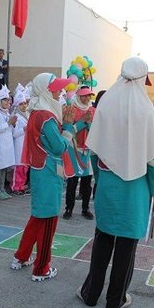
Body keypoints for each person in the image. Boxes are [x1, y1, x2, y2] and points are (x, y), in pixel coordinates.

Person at [77, 57, 154, 308]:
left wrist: (100, 179)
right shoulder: (146, 109)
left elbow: (93, 149)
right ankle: (116, 299)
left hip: (108, 182)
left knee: (103, 238)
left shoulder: (106, 104)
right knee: (127, 245)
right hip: (136, 187)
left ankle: (90, 293)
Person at [11, 73, 73, 281]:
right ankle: (41, 268)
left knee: (38, 217)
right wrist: (69, 130)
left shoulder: (39, 112)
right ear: (46, 91)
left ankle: (21, 256)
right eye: (56, 88)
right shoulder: (46, 116)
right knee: (48, 221)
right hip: (47, 171)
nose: (60, 91)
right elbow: (58, 146)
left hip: (41, 170)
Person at [64, 86, 96, 220]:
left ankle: (85, 208)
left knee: (87, 183)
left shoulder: (93, 110)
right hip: (73, 149)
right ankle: (69, 208)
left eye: (89, 96)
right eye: (84, 95)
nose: (87, 98)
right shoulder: (71, 109)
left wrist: (89, 124)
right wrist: (83, 122)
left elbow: (95, 130)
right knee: (72, 181)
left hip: (87, 150)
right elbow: (68, 131)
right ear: (78, 96)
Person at [11, 86, 30, 195]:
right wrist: (24, 129)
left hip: (26, 145)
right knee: (18, 167)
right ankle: (15, 187)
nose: (23, 106)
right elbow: (14, 133)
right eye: (21, 104)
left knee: (24, 167)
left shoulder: (27, 115)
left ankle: (21, 185)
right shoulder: (16, 116)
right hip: (19, 144)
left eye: (24, 104)